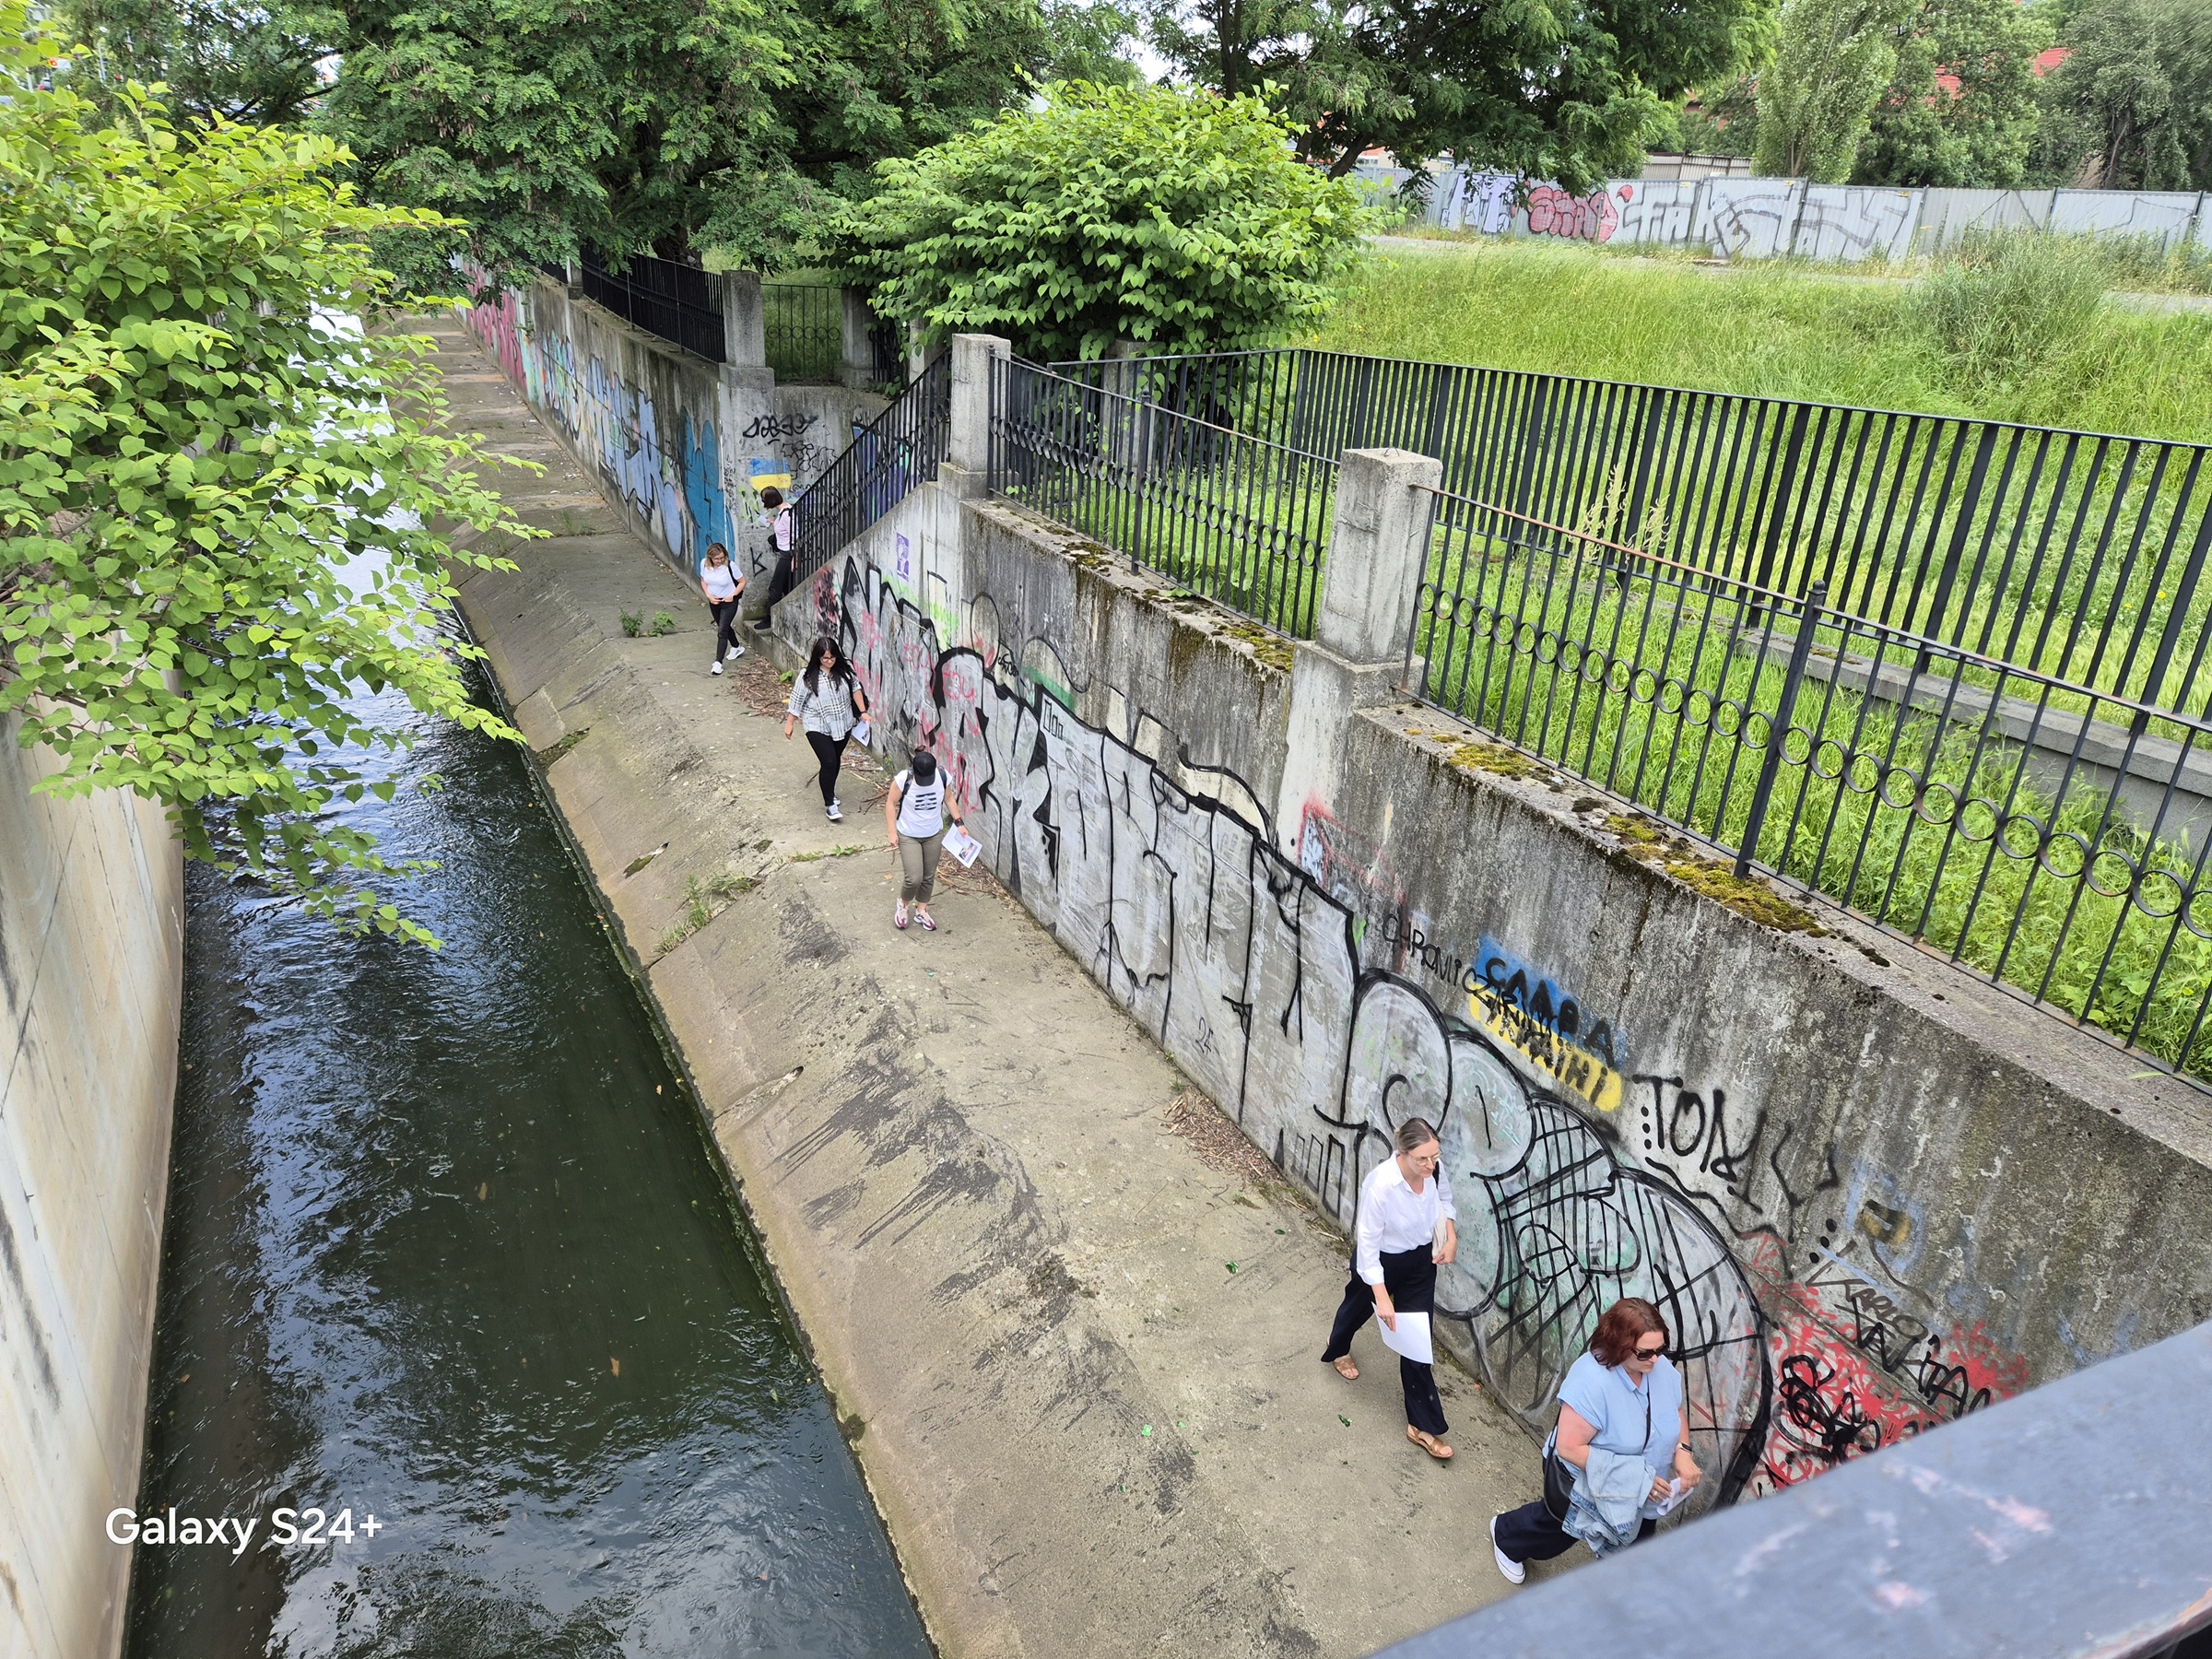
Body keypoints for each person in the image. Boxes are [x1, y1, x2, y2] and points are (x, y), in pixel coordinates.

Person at [1489, 1296, 1703, 1584]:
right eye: (1645, 1353)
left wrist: (1683, 1451)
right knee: (1558, 1531)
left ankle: (1617, 1593)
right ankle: (1506, 1535)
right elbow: (1568, 1448)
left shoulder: (1659, 1368)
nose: (1656, 1359)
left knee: (1636, 1544)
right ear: (1619, 1345)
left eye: (1661, 1349)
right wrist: (1635, 1479)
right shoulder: (1592, 1382)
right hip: (1588, 1482)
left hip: (1647, 1489)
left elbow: (1675, 1410)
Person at [1320, 1118, 1459, 1461]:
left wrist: (1451, 1235)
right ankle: (1338, 1348)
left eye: (1434, 1157)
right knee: (1357, 1308)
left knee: (1416, 1338)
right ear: (1403, 1153)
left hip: (1420, 1265)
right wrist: (1381, 1295)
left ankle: (1422, 1427)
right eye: (1422, 1159)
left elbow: (1445, 1199)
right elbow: (1366, 1243)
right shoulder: (1382, 1185)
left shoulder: (1434, 1171)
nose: (1430, 1165)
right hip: (1381, 1260)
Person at [784, 636, 868, 822]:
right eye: (825, 658)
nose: (829, 661)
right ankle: (830, 804)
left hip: (843, 723)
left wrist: (863, 712)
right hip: (817, 724)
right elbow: (796, 700)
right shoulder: (808, 676)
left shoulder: (845, 669)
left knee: (835, 759)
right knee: (829, 761)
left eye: (832, 658)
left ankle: (830, 790)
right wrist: (790, 723)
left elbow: (856, 688)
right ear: (818, 658)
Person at [883, 748, 963, 932]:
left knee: (928, 876)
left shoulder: (943, 777)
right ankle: (903, 905)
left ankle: (921, 910)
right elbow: (890, 803)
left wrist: (959, 823)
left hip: (933, 833)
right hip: (908, 833)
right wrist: (892, 832)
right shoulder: (904, 779)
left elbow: (949, 799)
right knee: (914, 878)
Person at [699, 542, 746, 675]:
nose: (719, 561)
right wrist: (708, 595)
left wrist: (733, 595)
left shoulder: (730, 566)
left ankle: (718, 663)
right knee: (723, 626)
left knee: (722, 631)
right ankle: (737, 647)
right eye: (716, 559)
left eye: (722, 557)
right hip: (714, 601)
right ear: (710, 558)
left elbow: (742, 582)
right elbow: (703, 580)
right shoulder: (704, 564)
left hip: (729, 601)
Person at [756, 487, 796, 626]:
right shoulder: (782, 512)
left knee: (775, 587)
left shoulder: (787, 514)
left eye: (764, 500)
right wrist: (773, 523)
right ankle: (789, 615)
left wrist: (794, 559)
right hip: (785, 554)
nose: (763, 502)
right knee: (787, 588)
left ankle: (769, 619)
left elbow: (795, 537)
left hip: (788, 555)